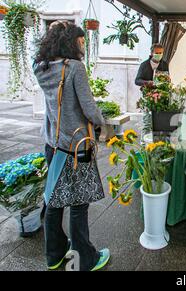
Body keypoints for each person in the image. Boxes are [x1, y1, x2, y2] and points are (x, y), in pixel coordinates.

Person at [33, 22, 110, 271]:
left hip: (53, 144)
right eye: (80, 40)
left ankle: (54, 256)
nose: (83, 44)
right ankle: (86, 260)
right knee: (79, 204)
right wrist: (103, 119)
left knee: (54, 201)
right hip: (78, 146)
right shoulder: (75, 68)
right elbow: (89, 109)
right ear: (70, 41)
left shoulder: (40, 67)